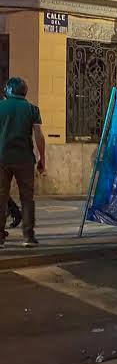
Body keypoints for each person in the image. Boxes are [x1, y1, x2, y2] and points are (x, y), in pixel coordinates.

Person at [0, 77, 45, 248]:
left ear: (8, 90)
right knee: (27, 198)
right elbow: (39, 136)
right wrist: (42, 158)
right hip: (24, 159)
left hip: (2, 158)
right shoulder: (32, 109)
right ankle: (28, 236)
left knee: (1, 197)